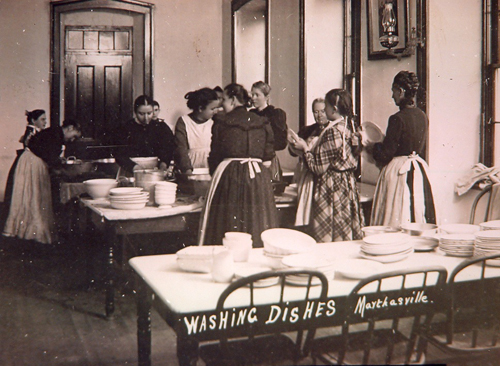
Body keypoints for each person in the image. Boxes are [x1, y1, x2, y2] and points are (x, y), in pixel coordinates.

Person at [198, 83, 278, 247]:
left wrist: (217, 176)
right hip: (258, 177)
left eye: (224, 101)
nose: (222, 106)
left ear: (233, 100)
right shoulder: (262, 122)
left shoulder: (222, 121)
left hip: (229, 175)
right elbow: (268, 157)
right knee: (258, 221)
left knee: (227, 221)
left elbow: (215, 155)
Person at [289, 89, 364, 242]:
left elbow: (318, 168)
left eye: (326, 107)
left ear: (334, 109)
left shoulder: (333, 131)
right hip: (346, 184)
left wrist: (305, 149)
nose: (324, 111)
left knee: (329, 231)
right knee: (343, 228)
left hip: (331, 186)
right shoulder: (349, 126)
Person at [365, 71, 436, 227]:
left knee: (397, 212)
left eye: (394, 91)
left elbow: (386, 154)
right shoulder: (422, 115)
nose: (392, 96)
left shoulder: (397, 118)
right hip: (418, 170)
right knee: (417, 212)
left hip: (399, 173)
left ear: (401, 91)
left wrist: (372, 146)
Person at [3, 120, 82, 244]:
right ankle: (33, 232)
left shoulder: (55, 133)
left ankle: (30, 231)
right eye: (74, 136)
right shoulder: (55, 134)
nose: (72, 140)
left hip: (33, 162)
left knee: (33, 197)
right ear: (70, 128)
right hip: (32, 164)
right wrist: (62, 171)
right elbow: (49, 156)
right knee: (34, 196)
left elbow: (48, 153)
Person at [1, 109, 49, 228]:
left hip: (32, 162)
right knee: (28, 191)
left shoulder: (34, 131)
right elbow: (30, 145)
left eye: (45, 119)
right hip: (29, 163)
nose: (45, 122)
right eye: (42, 119)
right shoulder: (31, 131)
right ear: (33, 120)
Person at [288, 98, 329, 227]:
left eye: (322, 111)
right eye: (315, 112)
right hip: (305, 172)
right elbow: (293, 153)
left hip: (322, 174)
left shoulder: (331, 131)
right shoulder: (307, 130)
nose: (319, 115)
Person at [113, 95, 175, 174]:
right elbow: (119, 153)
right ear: (135, 112)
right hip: (131, 170)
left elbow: (168, 149)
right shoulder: (125, 128)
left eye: (149, 113)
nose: (146, 118)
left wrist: (164, 164)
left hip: (155, 171)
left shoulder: (161, 127)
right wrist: (134, 167)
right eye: (141, 114)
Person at [174, 88, 219, 175]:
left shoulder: (215, 121)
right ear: (200, 108)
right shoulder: (184, 122)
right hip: (189, 168)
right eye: (212, 108)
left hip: (211, 169)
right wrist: (187, 170)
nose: (216, 111)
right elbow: (181, 149)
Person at [249, 81, 288, 182]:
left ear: (266, 97)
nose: (253, 98)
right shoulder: (250, 114)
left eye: (257, 95)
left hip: (268, 160)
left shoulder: (275, 114)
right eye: (252, 94)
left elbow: (281, 142)